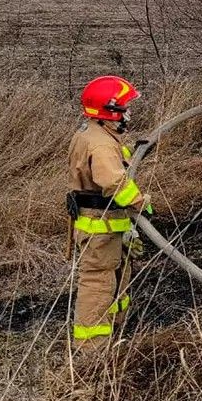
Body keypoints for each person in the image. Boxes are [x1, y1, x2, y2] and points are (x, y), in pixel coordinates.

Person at [66, 75, 150, 349]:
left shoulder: (94, 133)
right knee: (99, 283)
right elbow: (114, 182)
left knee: (116, 276)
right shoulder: (101, 144)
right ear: (110, 111)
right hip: (100, 227)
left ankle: (115, 330)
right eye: (125, 108)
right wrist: (141, 203)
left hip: (109, 225)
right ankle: (92, 348)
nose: (129, 113)